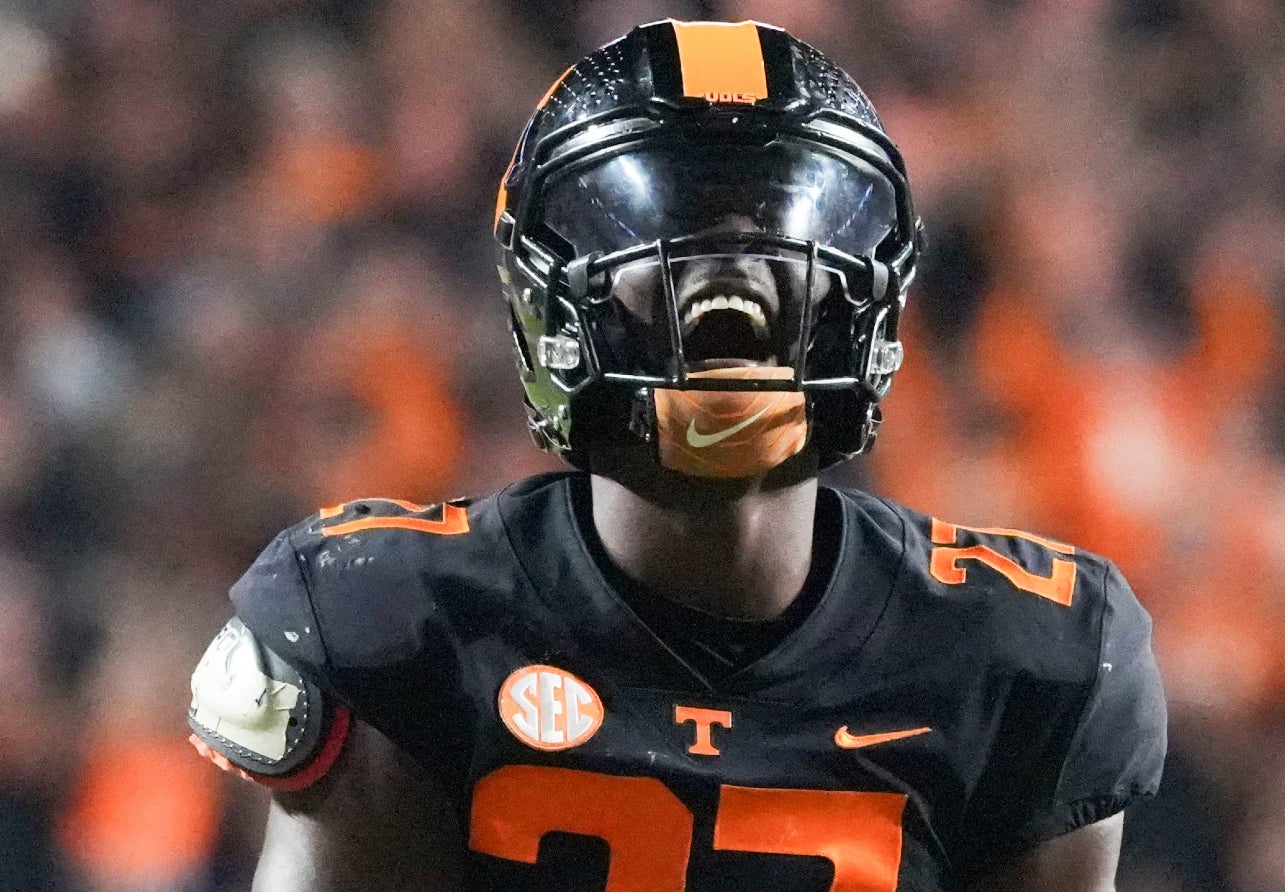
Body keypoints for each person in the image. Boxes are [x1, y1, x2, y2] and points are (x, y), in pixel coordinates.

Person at [187, 19, 1165, 891]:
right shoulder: (398, 622)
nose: (729, 279)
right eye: (676, 232)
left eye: (771, 232)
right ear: (548, 307)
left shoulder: (1026, 661)